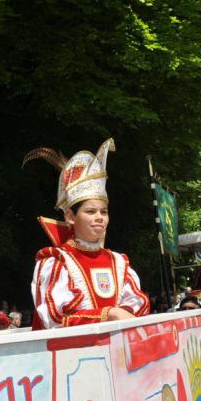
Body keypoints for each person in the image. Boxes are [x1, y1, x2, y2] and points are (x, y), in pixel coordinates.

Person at [25, 138, 149, 328]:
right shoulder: (57, 261)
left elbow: (138, 306)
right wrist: (110, 314)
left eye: (104, 212)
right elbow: (56, 318)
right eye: (90, 211)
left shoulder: (118, 262)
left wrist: (116, 315)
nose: (99, 217)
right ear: (70, 216)